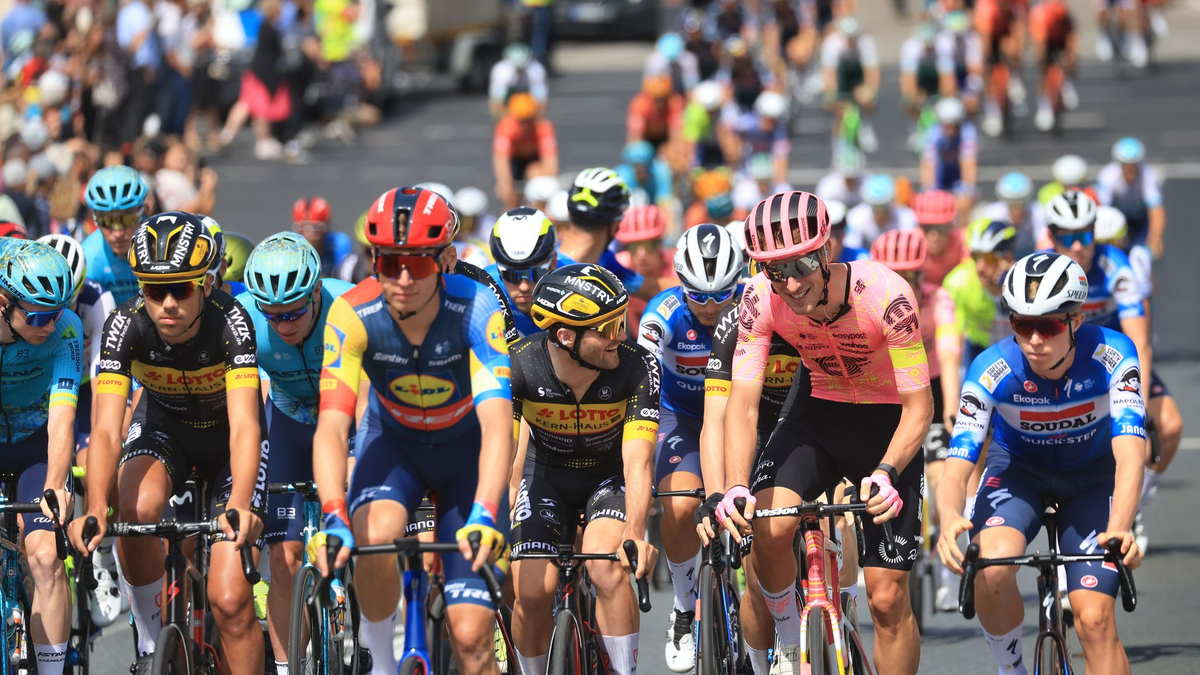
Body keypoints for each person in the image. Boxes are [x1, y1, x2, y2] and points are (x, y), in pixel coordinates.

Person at [716, 191, 931, 675]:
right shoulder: (759, 297)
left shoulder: (887, 295)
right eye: (775, 270)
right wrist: (734, 485)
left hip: (887, 428)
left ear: (826, 250)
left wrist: (887, 471)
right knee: (768, 526)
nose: (791, 284)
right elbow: (743, 403)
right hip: (816, 415)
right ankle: (790, 642)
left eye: (803, 264)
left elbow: (920, 407)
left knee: (886, 598)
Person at [313, 187, 512, 675]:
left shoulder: (477, 307)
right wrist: (333, 513)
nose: (403, 278)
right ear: (373, 261)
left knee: (472, 641)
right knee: (374, 538)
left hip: (466, 455)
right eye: (389, 263)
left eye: (419, 264)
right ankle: (382, 664)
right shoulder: (351, 314)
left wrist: (486, 511)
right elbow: (332, 426)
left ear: (444, 260)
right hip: (395, 446)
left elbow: (496, 425)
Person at [69, 213, 267, 674]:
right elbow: (105, 430)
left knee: (230, 601)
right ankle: (150, 645)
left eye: (181, 289)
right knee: (134, 511)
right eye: (155, 291)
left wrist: (240, 504)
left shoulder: (231, 321)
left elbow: (245, 425)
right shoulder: (124, 325)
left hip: (227, 442)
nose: (169, 304)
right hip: (164, 429)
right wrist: (96, 506)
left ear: (206, 285)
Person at [937, 252, 1145, 675]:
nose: (1033, 339)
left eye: (1047, 326)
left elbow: (1130, 453)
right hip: (1019, 474)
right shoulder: (990, 369)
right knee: (991, 567)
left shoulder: (1114, 353)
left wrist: (1122, 526)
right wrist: (947, 517)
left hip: (1093, 477)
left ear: (1076, 320)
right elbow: (958, 462)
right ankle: (1011, 668)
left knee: (1094, 619)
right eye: (1021, 324)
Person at [507, 264, 659, 675]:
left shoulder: (638, 365)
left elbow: (638, 460)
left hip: (607, 478)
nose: (621, 336)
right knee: (531, 594)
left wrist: (635, 533)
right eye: (608, 328)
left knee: (607, 568)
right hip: (544, 477)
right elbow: (507, 455)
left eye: (622, 321)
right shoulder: (518, 364)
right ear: (565, 336)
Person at [236, 232, 355, 675]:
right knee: (284, 559)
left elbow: (374, 396)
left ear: (317, 291)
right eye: (272, 315)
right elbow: (244, 408)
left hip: (347, 415)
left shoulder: (349, 308)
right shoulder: (244, 318)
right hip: (287, 419)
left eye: (294, 312)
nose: (283, 325)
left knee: (359, 525)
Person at [1044, 190, 1180, 552]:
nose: (1077, 246)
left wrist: (1139, 400)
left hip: (1116, 363)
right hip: (1062, 368)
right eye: (1066, 238)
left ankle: (1134, 497)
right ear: (1051, 236)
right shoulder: (1042, 268)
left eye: (1084, 235)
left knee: (1169, 425)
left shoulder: (1115, 266)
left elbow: (1140, 340)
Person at [635, 224, 742, 672]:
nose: (712, 307)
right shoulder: (662, 314)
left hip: (737, 414)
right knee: (680, 505)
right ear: (680, 281)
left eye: (723, 295)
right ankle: (683, 607)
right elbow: (641, 380)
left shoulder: (753, 307)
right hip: (679, 416)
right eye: (699, 295)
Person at [0, 239, 82, 675]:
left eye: (57, 311)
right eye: (37, 317)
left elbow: (62, 417)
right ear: (4, 304)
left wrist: (54, 485)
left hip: (36, 442)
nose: (50, 325)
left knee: (47, 557)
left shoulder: (65, 329)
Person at [870, 229, 962, 607]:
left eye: (910, 276)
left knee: (940, 477)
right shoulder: (867, 301)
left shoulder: (940, 299)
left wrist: (952, 409)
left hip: (933, 387)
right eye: (895, 276)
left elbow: (950, 355)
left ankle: (946, 563)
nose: (903, 285)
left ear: (923, 275)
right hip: (887, 391)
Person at [560, 167, 675, 302]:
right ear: (615, 224)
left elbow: (650, 288)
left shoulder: (603, 260)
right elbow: (652, 289)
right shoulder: (603, 263)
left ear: (569, 214)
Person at [943, 218, 1019, 365]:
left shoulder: (1022, 282)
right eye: (976, 256)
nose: (979, 267)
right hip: (978, 349)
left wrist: (1010, 285)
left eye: (989, 258)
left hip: (1015, 349)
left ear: (1007, 257)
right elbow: (953, 338)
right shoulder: (958, 283)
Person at [485, 206, 560, 338]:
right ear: (498, 269)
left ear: (553, 262)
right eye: (511, 276)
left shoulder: (575, 279)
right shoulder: (484, 289)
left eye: (534, 274)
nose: (523, 287)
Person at [82, 165, 146, 304]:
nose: (118, 233)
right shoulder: (89, 257)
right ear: (95, 219)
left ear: (142, 212)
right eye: (107, 221)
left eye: (127, 219)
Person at [1096, 137, 1165, 259]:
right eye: (1125, 165)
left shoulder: (1148, 175)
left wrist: (1155, 237)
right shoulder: (1108, 175)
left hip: (1141, 220)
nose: (1129, 169)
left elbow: (1156, 209)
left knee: (1144, 256)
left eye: (1133, 165)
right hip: (1117, 218)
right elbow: (1100, 207)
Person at [821, 17, 880, 152]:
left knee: (866, 98)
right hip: (841, 74)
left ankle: (866, 125)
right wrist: (831, 93)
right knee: (839, 108)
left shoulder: (866, 43)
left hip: (858, 73)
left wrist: (871, 91)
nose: (851, 39)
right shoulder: (832, 44)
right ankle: (838, 144)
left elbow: (872, 71)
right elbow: (829, 72)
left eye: (854, 36)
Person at [492, 93, 559, 211]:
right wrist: (504, 183)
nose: (525, 125)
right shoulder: (505, 127)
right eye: (521, 121)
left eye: (528, 120)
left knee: (539, 178)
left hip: (533, 159)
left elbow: (550, 159)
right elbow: (501, 159)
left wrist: (549, 185)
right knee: (511, 196)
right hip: (514, 160)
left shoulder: (543, 127)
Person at [614, 205, 675, 332]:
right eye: (633, 246)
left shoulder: (677, 265)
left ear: (660, 244)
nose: (641, 254)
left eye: (649, 245)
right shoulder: (618, 265)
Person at [920, 96, 978, 214]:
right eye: (946, 126)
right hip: (941, 171)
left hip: (958, 172)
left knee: (965, 200)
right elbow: (927, 166)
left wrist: (967, 191)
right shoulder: (932, 133)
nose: (950, 130)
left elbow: (969, 165)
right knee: (930, 201)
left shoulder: (968, 132)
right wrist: (929, 191)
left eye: (953, 125)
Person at [1028, 0, 1079, 131]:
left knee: (1071, 60)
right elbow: (1040, 45)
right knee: (1043, 67)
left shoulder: (1066, 16)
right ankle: (1043, 104)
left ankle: (1068, 83)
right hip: (1045, 39)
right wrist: (1043, 60)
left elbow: (1072, 37)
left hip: (1061, 39)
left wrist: (1070, 56)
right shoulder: (1040, 17)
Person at [615, 141, 677, 232]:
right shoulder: (621, 175)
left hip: (655, 208)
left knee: (674, 207)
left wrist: (669, 233)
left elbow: (665, 203)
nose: (640, 170)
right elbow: (620, 208)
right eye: (636, 165)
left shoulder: (661, 172)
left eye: (643, 165)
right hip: (632, 212)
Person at [845, 174, 918, 250]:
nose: (879, 214)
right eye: (875, 207)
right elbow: (852, 249)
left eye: (883, 207)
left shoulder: (906, 218)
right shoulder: (855, 217)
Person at [982, 172, 1044, 258]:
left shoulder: (1038, 211)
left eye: (1022, 203)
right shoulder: (992, 214)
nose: (1016, 210)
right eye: (1011, 204)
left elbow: (1044, 245)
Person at [626, 74, 686, 159]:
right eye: (656, 99)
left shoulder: (675, 103)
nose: (659, 103)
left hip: (665, 137)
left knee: (674, 154)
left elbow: (677, 133)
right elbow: (635, 136)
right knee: (638, 154)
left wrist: (677, 155)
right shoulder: (640, 104)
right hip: (647, 137)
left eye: (662, 98)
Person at [292, 197, 354, 279]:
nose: (309, 234)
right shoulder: (289, 245)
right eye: (303, 228)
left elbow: (344, 276)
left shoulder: (339, 244)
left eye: (316, 228)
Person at [913, 189, 965, 285]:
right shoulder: (910, 245)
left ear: (951, 226)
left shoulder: (963, 242)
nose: (935, 236)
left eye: (942, 227)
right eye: (927, 227)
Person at [488, 43, 548, 120]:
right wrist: (506, 118)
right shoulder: (500, 71)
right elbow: (496, 102)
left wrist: (535, 118)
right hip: (508, 96)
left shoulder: (536, 70)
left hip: (529, 96)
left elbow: (542, 101)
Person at [681, 80, 727, 169]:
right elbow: (691, 141)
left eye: (713, 109)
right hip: (701, 144)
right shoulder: (694, 115)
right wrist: (691, 164)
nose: (711, 113)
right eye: (708, 110)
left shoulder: (723, 110)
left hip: (715, 143)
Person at [644, 32, 700, 96]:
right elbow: (649, 87)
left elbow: (691, 87)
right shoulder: (654, 61)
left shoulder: (689, 60)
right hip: (662, 93)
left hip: (682, 92)